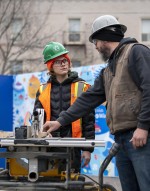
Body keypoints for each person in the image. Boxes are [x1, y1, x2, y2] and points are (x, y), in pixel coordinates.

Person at [42, 15, 150, 191]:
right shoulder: (108, 70)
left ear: (104, 37)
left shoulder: (136, 52)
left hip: (141, 138)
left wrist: (143, 126)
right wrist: (60, 121)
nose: (96, 47)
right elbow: (88, 98)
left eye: (96, 42)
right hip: (122, 140)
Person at [33, 41, 95, 173]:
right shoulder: (42, 89)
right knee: (49, 182)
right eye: (58, 61)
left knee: (71, 183)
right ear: (50, 67)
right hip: (49, 146)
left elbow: (89, 121)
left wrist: (87, 149)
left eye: (65, 60)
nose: (63, 64)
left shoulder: (82, 87)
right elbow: (38, 119)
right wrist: (41, 135)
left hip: (74, 146)